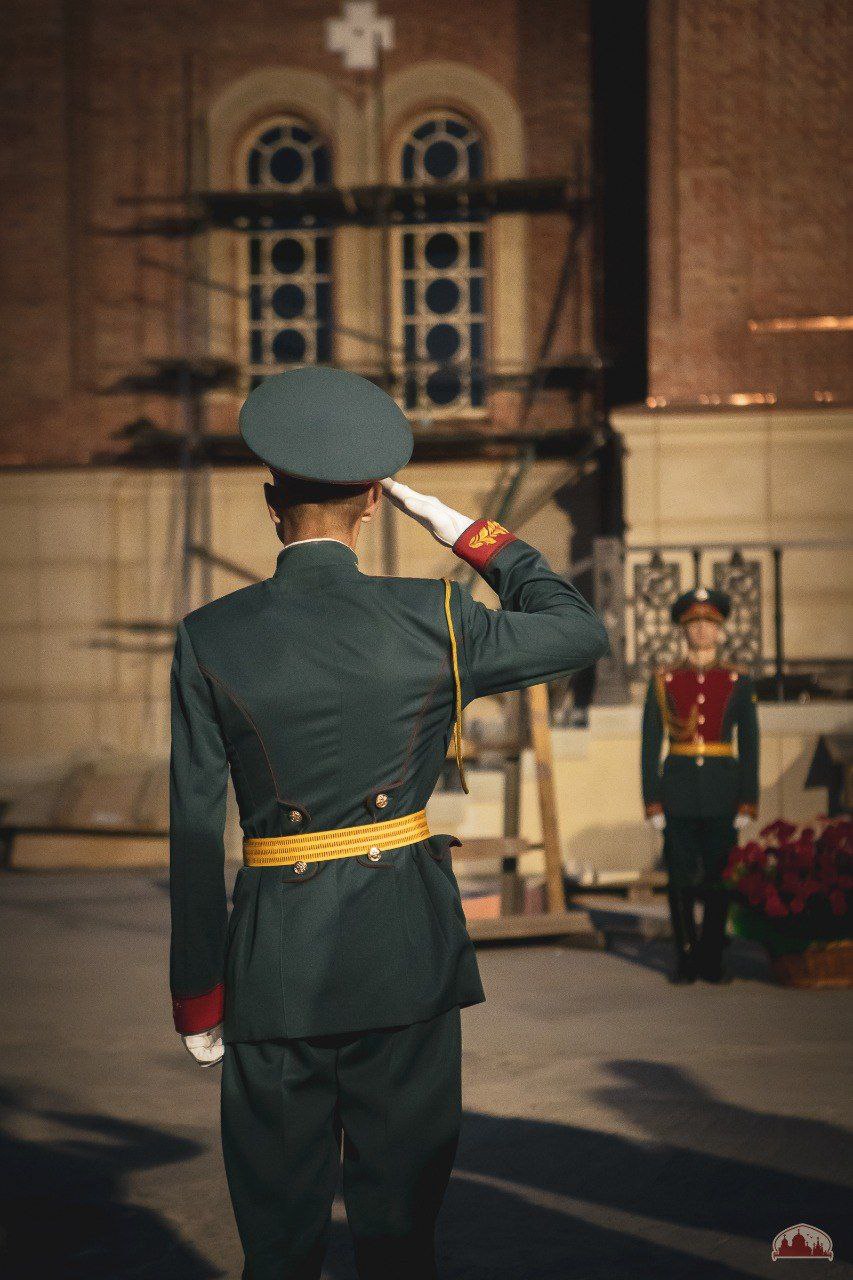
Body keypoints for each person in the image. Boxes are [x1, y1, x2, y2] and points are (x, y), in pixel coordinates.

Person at [168, 365, 611, 1280]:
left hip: (274, 969)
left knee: (278, 1248)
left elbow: (193, 830)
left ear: (269, 502)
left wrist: (198, 994)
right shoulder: (434, 616)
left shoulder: (210, 636)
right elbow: (576, 628)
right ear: (375, 499)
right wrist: (463, 530)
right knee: (400, 1242)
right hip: (403, 955)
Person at [641, 586, 760, 984]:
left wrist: (748, 800)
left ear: (720, 629)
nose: (702, 631)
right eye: (694, 624)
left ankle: (712, 957)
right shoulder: (665, 679)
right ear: (683, 629)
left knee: (718, 879)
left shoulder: (737, 680)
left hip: (723, 791)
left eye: (709, 623)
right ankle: (686, 956)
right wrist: (652, 801)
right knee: (679, 879)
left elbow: (751, 744)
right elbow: (649, 745)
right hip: (677, 792)